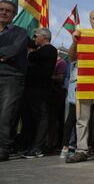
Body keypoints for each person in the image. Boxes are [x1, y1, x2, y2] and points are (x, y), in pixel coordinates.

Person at [66, 9, 94, 164]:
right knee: (82, 119)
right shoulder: (82, 36)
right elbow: (71, 57)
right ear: (90, 20)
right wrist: (74, 41)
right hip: (85, 82)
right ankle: (81, 150)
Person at [21, 28, 58, 158]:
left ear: (44, 37)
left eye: (36, 36)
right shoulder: (40, 50)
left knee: (41, 116)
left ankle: (38, 147)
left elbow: (32, 57)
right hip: (32, 88)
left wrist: (31, 52)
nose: (34, 38)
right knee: (31, 117)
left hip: (40, 89)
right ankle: (30, 145)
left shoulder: (49, 49)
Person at [0, 0, 28, 162]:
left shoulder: (21, 32)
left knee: (6, 114)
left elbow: (13, 50)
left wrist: (6, 55)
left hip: (11, 78)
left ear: (13, 14)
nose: (4, 12)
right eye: (1, 9)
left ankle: (3, 148)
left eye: (8, 11)